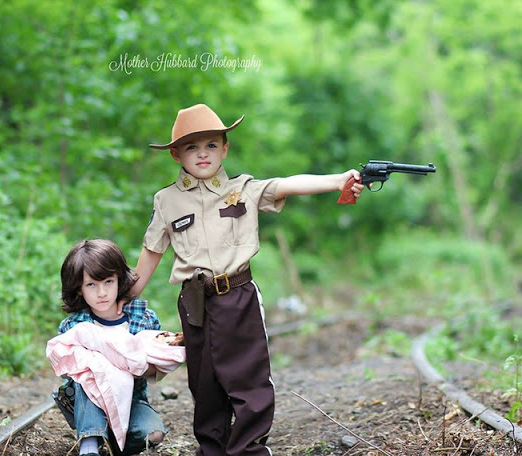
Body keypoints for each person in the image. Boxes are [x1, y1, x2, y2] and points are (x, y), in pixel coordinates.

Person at [127, 104, 365, 455]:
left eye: (210, 145)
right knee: (204, 383)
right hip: (195, 304)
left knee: (248, 379)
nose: (202, 154)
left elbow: (288, 184)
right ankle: (212, 448)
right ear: (176, 153)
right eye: (192, 147)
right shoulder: (167, 201)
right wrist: (118, 299)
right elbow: (149, 256)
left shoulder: (244, 189)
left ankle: (248, 449)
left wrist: (337, 181)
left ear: (225, 148)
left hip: (238, 297)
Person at [53, 239, 167, 456]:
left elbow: (158, 365)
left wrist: (139, 367)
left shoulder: (142, 319)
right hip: (91, 400)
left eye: (108, 282)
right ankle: (89, 444)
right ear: (79, 289)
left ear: (119, 280)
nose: (102, 293)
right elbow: (66, 369)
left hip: (132, 400)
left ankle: (114, 443)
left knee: (153, 433)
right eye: (91, 285)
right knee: (89, 374)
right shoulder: (75, 326)